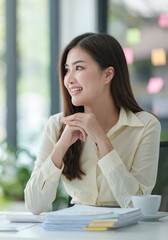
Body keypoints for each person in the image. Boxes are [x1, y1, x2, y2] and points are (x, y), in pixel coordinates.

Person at [24, 33, 161, 215]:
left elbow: (137, 207)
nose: (69, 79)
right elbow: (34, 206)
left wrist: (102, 141)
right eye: (67, 70)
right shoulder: (57, 125)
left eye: (78, 68)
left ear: (108, 74)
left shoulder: (145, 125)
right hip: (76, 229)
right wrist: (61, 147)